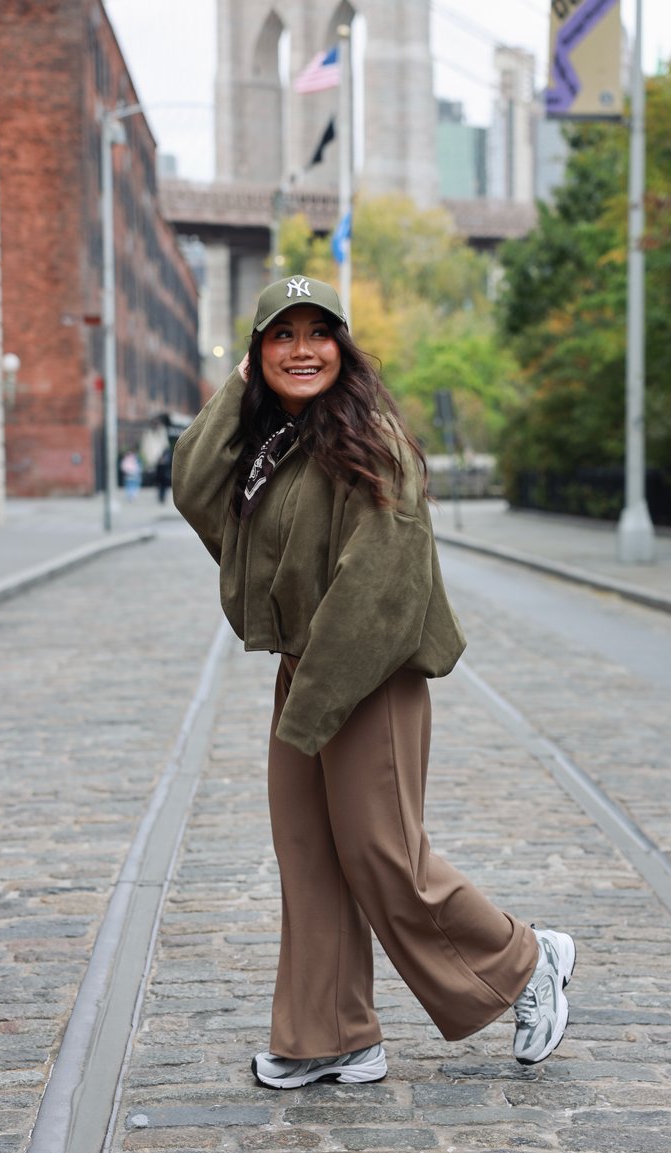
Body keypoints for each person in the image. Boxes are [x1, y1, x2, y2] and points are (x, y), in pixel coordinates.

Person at [172, 275, 576, 1090]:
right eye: (281, 336)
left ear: (343, 348)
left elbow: (378, 589)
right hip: (309, 670)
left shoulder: (370, 443)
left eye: (318, 333)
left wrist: (314, 703)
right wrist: (238, 389)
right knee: (309, 854)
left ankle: (526, 961)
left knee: (383, 855)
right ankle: (332, 1035)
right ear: (258, 354)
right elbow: (193, 487)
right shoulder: (275, 447)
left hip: (370, 677)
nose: (302, 350)